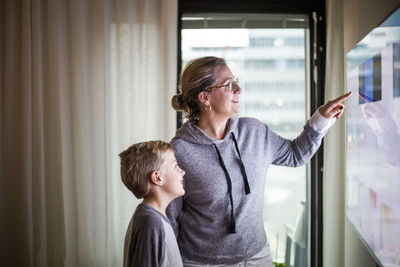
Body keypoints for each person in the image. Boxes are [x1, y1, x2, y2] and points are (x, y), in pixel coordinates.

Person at [166, 56, 352, 266]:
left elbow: (295, 155)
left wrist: (322, 118)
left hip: (257, 256)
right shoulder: (179, 151)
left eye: (235, 80)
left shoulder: (254, 131)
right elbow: (168, 217)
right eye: (228, 84)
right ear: (205, 97)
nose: (238, 88)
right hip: (202, 262)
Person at [119, 140, 186, 267]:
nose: (182, 171)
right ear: (157, 178)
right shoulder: (151, 224)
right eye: (175, 166)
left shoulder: (153, 218)